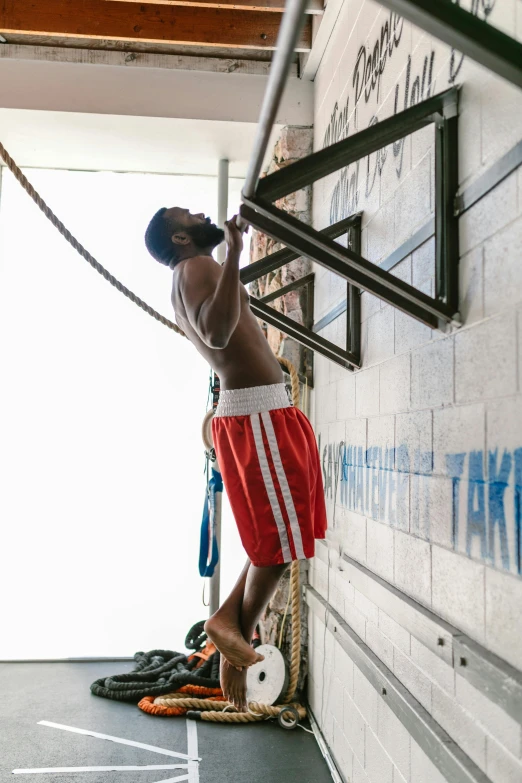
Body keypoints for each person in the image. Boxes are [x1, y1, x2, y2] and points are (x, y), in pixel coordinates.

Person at [145, 207, 327, 711]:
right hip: (257, 415)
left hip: (262, 413)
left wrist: (230, 257)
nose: (201, 212)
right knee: (280, 544)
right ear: (181, 237)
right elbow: (219, 332)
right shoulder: (197, 266)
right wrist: (235, 252)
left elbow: (218, 323)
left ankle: (230, 626)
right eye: (189, 214)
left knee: (281, 539)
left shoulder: (194, 272)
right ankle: (230, 626)